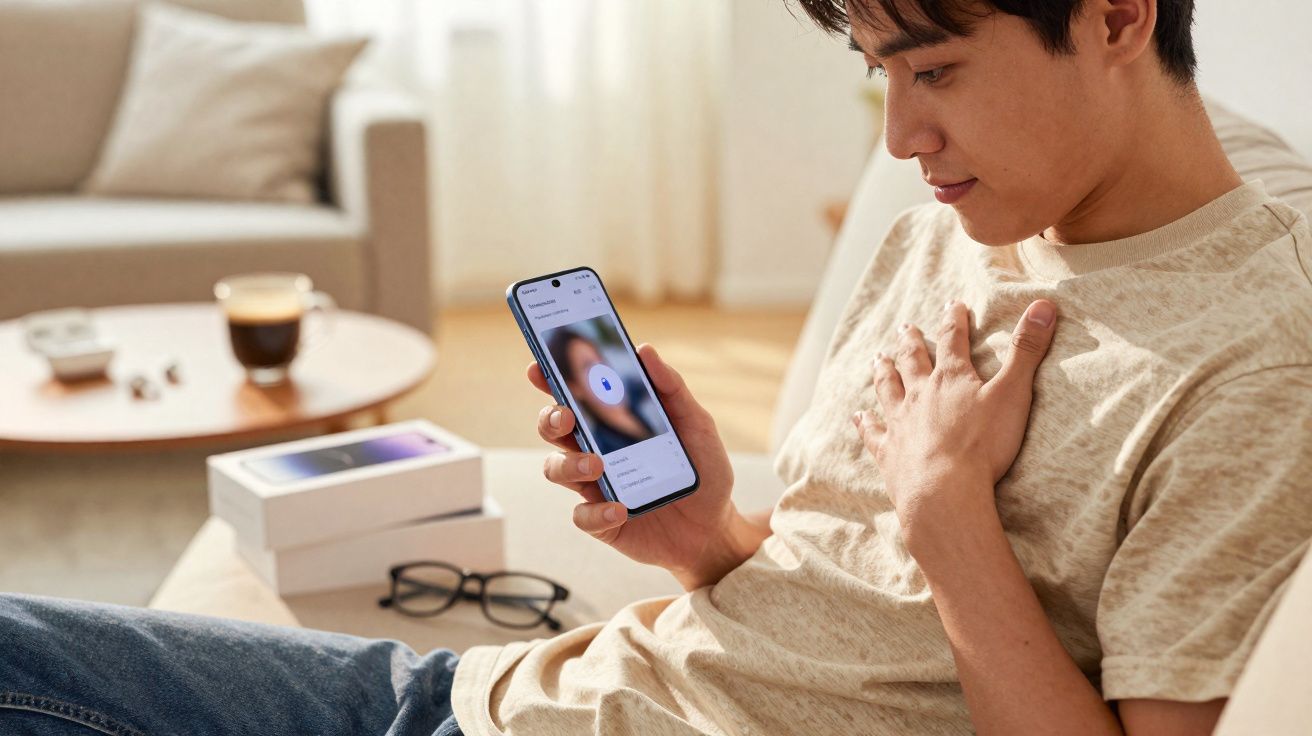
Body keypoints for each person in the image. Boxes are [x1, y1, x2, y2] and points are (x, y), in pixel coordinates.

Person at [2, 0, 1309, 734]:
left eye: (938, 70)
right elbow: (851, 613)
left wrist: (944, 515)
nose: (901, 133)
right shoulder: (959, 226)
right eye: (876, 73)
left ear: (1120, 14)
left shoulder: (1254, 361)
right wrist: (706, 537)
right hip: (500, 700)